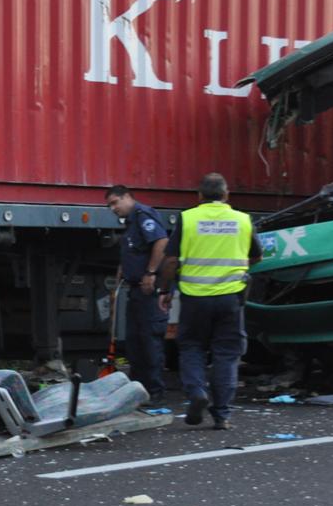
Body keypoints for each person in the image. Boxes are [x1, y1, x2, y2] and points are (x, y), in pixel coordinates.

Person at [157, 173, 262, 430]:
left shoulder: (188, 218)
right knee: (226, 354)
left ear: (199, 196)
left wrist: (165, 290)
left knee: (192, 347)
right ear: (227, 195)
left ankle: (196, 393)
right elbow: (257, 256)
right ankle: (222, 415)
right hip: (230, 298)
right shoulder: (243, 220)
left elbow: (170, 260)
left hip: (194, 298)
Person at [105, 184, 169, 405]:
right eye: (109, 205)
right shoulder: (131, 222)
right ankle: (140, 389)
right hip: (135, 289)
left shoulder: (143, 215)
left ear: (127, 197)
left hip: (147, 289)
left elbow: (161, 241)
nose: (113, 208)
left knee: (149, 340)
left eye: (115, 202)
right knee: (134, 341)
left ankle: (155, 390)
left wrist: (150, 272)